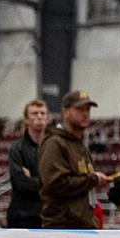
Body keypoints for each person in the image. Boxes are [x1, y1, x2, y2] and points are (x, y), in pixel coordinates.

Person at [39, 91, 109, 229]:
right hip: (63, 227)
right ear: (66, 112)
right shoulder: (55, 144)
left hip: (84, 224)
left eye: (88, 109)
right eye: (79, 109)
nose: (85, 113)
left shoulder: (80, 145)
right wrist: (94, 179)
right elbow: (56, 183)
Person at [6, 99, 49, 229]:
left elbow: (61, 182)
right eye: (35, 113)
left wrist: (32, 179)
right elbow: (22, 182)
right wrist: (49, 183)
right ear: (26, 119)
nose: (39, 117)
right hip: (22, 216)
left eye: (43, 113)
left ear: (47, 118)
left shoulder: (53, 147)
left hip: (47, 216)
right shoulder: (16, 148)